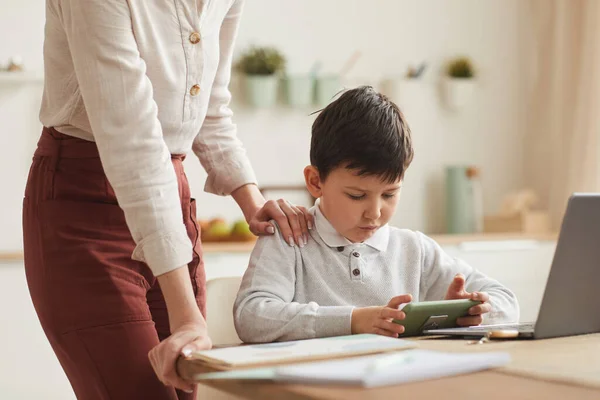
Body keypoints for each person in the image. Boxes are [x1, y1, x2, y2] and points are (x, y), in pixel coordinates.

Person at [22, 0, 312, 398]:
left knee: (184, 386)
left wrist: (251, 200)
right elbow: (133, 143)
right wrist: (188, 317)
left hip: (171, 203)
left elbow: (209, 106)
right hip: (83, 205)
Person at [234, 86, 519, 343]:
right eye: (357, 196)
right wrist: (354, 320)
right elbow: (252, 317)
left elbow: (507, 301)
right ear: (315, 182)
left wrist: (474, 311)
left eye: (389, 194)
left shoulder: (414, 250)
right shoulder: (288, 238)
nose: (375, 213)